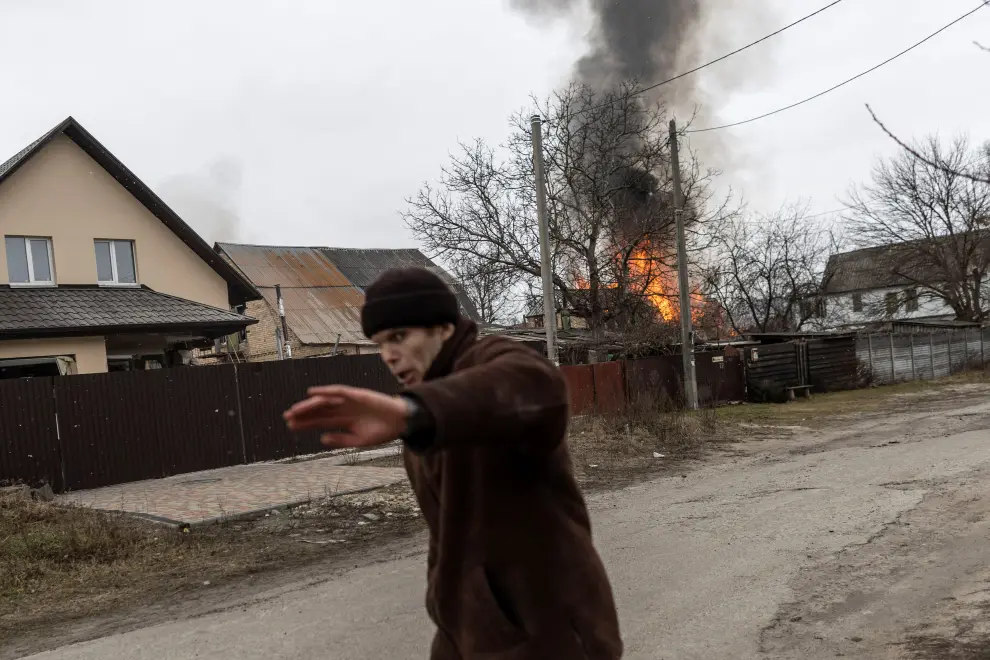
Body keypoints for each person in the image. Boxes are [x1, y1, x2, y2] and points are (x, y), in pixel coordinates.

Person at [283, 267, 622, 660]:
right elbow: (448, 534)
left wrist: (412, 413)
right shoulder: (424, 410)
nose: (389, 356)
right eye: (379, 344)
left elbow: (537, 386)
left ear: (442, 328)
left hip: (550, 631)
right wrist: (444, 606)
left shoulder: (491, 362)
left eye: (399, 336)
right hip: (472, 633)